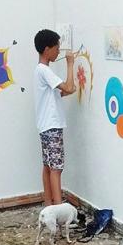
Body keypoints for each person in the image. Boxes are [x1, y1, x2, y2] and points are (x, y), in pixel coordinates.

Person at [33, 29, 76, 206]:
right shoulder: (44, 70)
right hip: (52, 126)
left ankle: (48, 204)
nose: (58, 51)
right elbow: (68, 88)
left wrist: (68, 88)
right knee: (56, 168)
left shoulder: (39, 71)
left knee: (48, 167)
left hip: (45, 126)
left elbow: (60, 93)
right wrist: (70, 64)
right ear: (46, 49)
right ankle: (58, 209)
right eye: (56, 47)